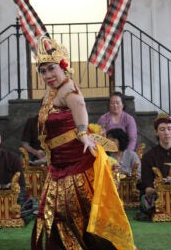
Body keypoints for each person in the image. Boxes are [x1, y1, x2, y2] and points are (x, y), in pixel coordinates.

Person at [31, 35, 134, 249]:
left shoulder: (68, 89)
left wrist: (82, 133)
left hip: (75, 164)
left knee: (73, 210)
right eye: (43, 71)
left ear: (63, 67)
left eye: (52, 69)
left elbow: (80, 107)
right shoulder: (53, 91)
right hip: (59, 164)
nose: (48, 75)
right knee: (60, 211)